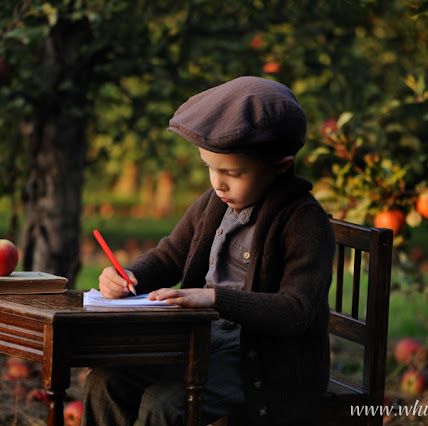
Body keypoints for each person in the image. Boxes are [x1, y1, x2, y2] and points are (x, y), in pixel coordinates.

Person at [81, 76, 336, 426]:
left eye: (232, 172)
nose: (218, 183)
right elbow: (171, 254)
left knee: (165, 403)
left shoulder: (303, 220)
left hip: (264, 363)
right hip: (203, 342)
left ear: (279, 165)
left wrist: (213, 299)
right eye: (210, 169)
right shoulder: (214, 204)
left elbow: (296, 311)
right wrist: (131, 276)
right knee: (105, 381)